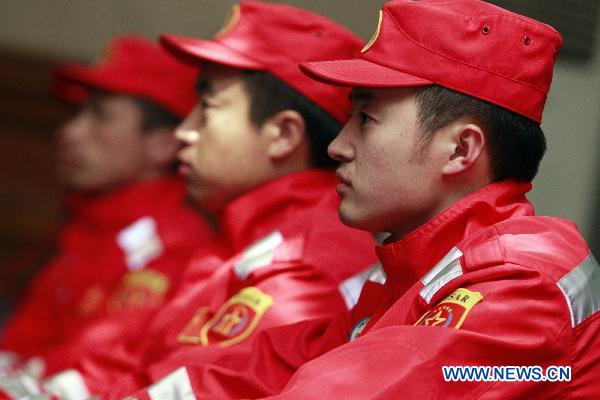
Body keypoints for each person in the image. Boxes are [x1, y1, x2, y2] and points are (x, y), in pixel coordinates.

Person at [117, 1, 599, 399]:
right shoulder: (406, 274)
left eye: (366, 120)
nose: (337, 146)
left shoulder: (524, 279)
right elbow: (262, 370)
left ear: (461, 150)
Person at [41, 2, 378, 399]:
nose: (184, 131)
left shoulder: (313, 258)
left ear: (284, 135)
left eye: (208, 107)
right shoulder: (241, 239)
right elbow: (136, 366)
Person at [0, 35, 225, 378]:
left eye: (100, 116)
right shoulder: (92, 219)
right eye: (78, 112)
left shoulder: (174, 245)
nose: (70, 131)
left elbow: (87, 373)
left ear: (163, 145)